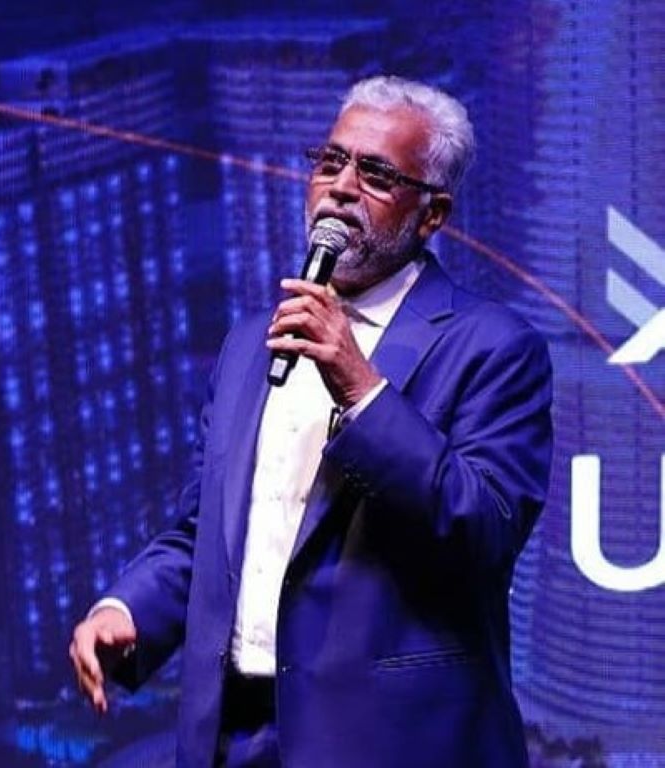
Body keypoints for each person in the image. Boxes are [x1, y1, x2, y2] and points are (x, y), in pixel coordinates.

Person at [70, 75, 553, 768]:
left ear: (432, 215)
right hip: (228, 737)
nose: (341, 188)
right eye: (330, 162)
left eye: (376, 174)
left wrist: (361, 389)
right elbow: (207, 532)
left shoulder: (494, 347)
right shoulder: (249, 343)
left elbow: (485, 528)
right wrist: (125, 611)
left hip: (390, 746)